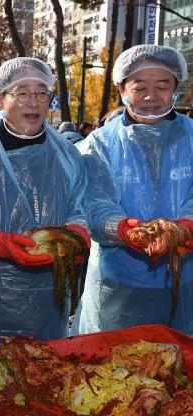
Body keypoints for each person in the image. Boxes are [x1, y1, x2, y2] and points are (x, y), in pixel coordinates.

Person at [0, 57, 90, 349]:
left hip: (48, 296)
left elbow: (79, 207)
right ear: (0, 98)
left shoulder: (66, 153)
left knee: (43, 373)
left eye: (42, 93)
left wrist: (77, 234)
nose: (34, 102)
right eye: (23, 93)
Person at [72, 45, 193, 335]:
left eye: (162, 86)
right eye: (140, 87)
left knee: (178, 371)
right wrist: (124, 229)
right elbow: (94, 204)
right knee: (112, 371)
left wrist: (187, 227)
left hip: (186, 282)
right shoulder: (99, 144)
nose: (151, 96)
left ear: (176, 87)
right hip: (117, 287)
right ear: (121, 89)